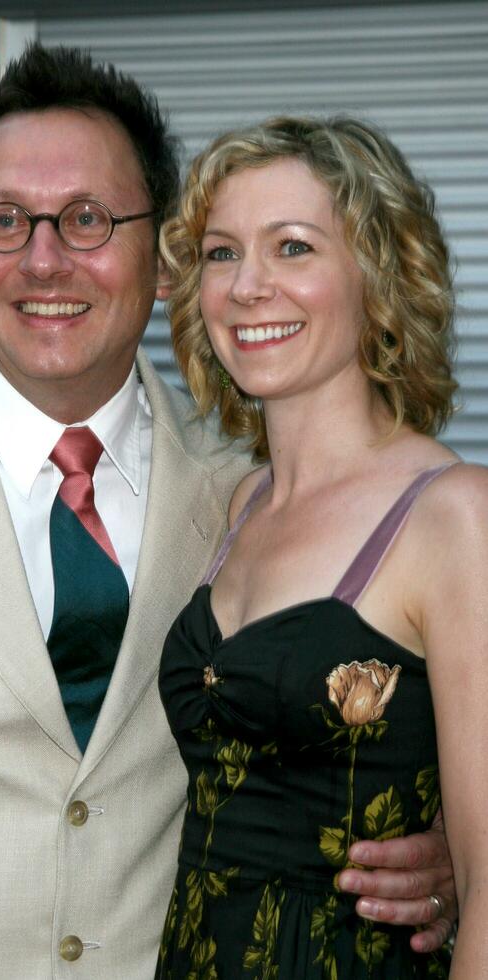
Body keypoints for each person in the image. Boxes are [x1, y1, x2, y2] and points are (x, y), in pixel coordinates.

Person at [0, 45, 455, 980]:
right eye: (5, 221)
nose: (45, 260)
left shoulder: (248, 495)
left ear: (160, 257)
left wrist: (445, 857)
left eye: (88, 219)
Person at [155, 114, 488, 978]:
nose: (247, 285)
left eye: (293, 247)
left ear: (378, 276)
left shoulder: (454, 518)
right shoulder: (238, 505)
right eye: (222, 253)